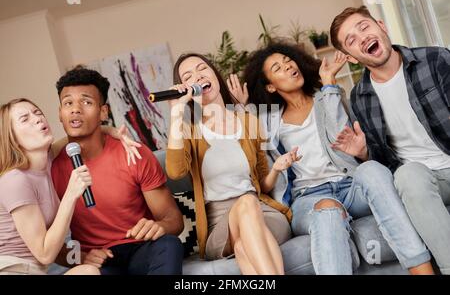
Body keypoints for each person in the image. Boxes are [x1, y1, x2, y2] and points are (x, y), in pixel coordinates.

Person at [229, 42, 433, 275]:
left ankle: (422, 270)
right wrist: (241, 110)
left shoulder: (328, 96)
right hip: (309, 198)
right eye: (278, 68)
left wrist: (328, 84)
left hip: (350, 186)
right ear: (271, 87)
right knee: (327, 209)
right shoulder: (268, 122)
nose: (288, 67)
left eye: (288, 61)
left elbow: (340, 138)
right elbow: (250, 150)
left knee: (373, 170)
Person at [329, 5, 450, 274]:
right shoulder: (360, 97)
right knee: (407, 176)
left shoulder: (435, 60)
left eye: (364, 27)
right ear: (350, 57)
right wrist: (363, 153)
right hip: (424, 180)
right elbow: (385, 163)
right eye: (351, 40)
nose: (362, 37)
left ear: (381, 26)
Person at [165, 53, 299, 275]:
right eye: (188, 76)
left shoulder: (248, 121)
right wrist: (177, 113)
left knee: (242, 245)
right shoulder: (188, 130)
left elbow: (263, 187)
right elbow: (175, 171)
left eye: (202, 69)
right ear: (185, 88)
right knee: (245, 206)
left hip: (264, 213)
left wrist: (276, 168)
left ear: (215, 75)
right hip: (220, 224)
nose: (198, 76)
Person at [51, 66, 184, 275]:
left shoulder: (134, 153)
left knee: (169, 244)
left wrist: (160, 227)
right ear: (60, 113)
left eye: (86, 102)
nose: (75, 109)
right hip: (99, 262)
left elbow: (174, 220)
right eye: (68, 103)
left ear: (103, 112)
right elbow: (50, 247)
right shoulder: (50, 168)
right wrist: (81, 257)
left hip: (141, 246)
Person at [0, 98, 101, 274]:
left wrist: (83, 257)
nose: (38, 119)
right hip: (12, 270)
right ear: (12, 139)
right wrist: (71, 194)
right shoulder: (15, 180)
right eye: (25, 119)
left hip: (37, 270)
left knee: (89, 270)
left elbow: (81, 136)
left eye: (37, 113)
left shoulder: (48, 161)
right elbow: (45, 254)